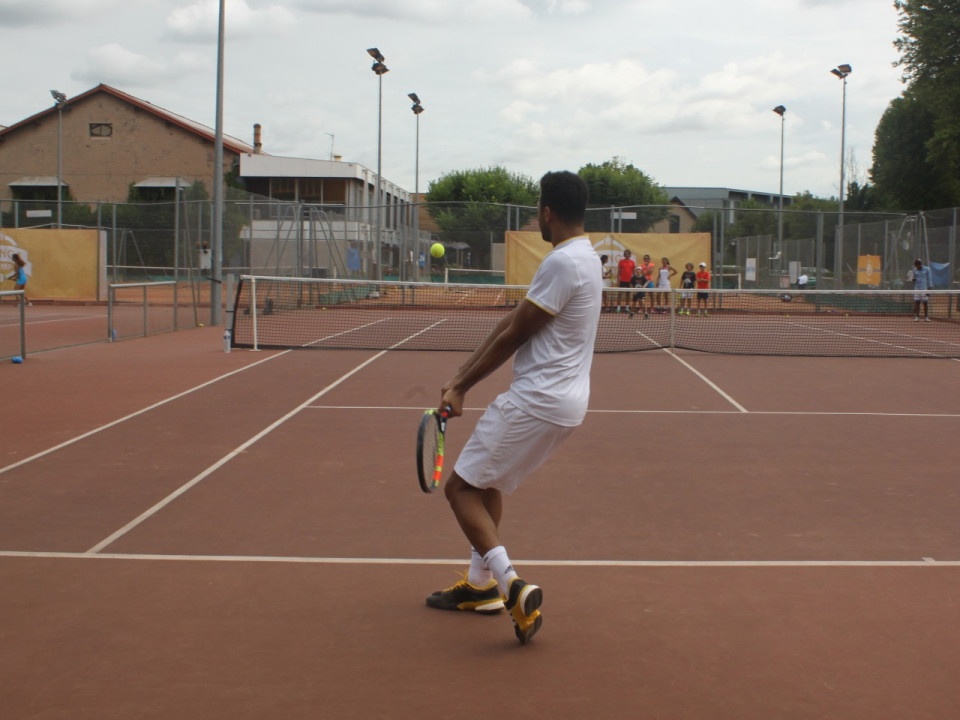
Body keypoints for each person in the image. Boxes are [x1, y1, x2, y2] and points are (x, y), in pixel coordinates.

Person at [425, 170, 601, 645]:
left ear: (547, 213)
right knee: (490, 482)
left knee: (460, 489)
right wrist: (459, 378)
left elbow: (514, 334)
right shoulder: (587, 258)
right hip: (566, 404)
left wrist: (461, 385)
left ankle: (510, 584)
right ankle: (479, 587)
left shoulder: (563, 263)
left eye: (536, 210)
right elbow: (515, 320)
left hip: (536, 400)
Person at [616, 249, 636, 314]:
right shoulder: (621, 262)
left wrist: (634, 281)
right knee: (620, 294)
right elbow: (618, 272)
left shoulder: (632, 262)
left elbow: (633, 272)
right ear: (624, 255)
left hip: (629, 281)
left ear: (630, 255)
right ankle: (618, 308)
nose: (627, 255)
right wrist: (618, 280)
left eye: (628, 253)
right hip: (622, 280)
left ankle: (627, 308)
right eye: (626, 253)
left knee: (628, 294)